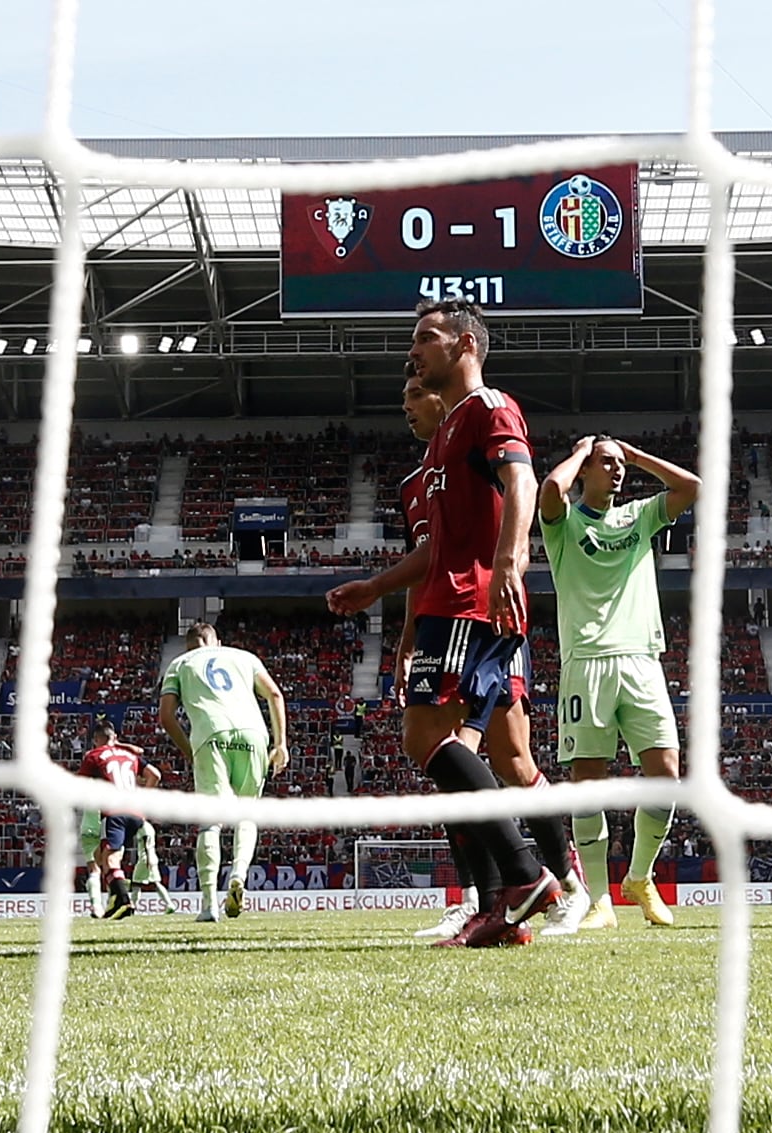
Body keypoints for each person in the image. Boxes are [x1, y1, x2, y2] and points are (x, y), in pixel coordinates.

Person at [326, 301, 564, 949]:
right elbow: (432, 550)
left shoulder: (489, 408)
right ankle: (501, 904)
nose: (413, 352)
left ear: (464, 344)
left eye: (424, 339)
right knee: (468, 748)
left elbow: (522, 482)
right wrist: (375, 587)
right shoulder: (442, 438)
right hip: (450, 600)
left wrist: (512, 561)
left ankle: (529, 875)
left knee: (428, 738)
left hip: (470, 601)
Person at [538, 429, 695, 933]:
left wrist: (635, 454)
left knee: (666, 773)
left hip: (642, 659)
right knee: (588, 785)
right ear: (584, 470)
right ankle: (600, 899)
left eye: (618, 464)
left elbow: (691, 487)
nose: (616, 469)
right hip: (586, 662)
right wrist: (583, 450)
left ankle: (639, 878)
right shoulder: (562, 527)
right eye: (606, 463)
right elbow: (548, 493)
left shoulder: (638, 516)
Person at [157, 615, 287, 919]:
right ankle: (238, 876)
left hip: (210, 735)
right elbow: (275, 694)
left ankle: (208, 905)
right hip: (254, 734)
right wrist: (281, 744)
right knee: (246, 815)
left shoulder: (180, 664)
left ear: (189, 645)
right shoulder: (245, 657)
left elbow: (166, 716)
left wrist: (190, 751)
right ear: (217, 641)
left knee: (211, 822)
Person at [76, 720, 162, 916]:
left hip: (114, 813)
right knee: (102, 857)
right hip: (135, 813)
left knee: (109, 860)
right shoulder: (130, 755)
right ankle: (115, 900)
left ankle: (124, 901)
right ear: (114, 737)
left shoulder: (94, 756)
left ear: (96, 739)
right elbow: (155, 775)